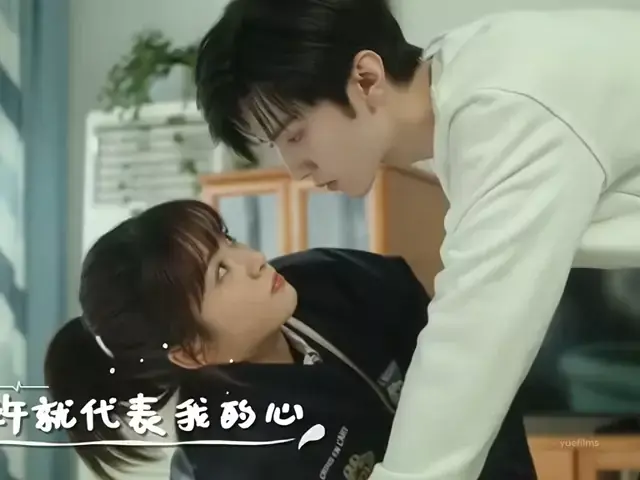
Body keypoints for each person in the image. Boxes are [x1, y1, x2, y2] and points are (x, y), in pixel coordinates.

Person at [194, 2, 640, 479]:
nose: (295, 169)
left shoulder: (503, 112)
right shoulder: (467, 73)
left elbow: (473, 336)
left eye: (296, 135)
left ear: (366, 79)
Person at [44, 200, 535, 480]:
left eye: (229, 240)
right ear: (192, 351)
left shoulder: (324, 280)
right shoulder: (222, 468)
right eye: (221, 273)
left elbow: (466, 353)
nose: (255, 259)